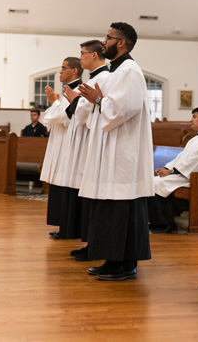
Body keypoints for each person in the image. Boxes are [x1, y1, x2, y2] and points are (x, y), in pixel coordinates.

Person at [77, 22, 153, 281]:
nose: (103, 42)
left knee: (122, 208)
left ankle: (125, 264)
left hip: (123, 150)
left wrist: (98, 100)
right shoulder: (115, 72)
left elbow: (124, 108)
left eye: (108, 37)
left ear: (121, 42)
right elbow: (108, 107)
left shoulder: (130, 71)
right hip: (112, 147)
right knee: (110, 208)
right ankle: (112, 260)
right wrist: (97, 101)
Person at [58, 41, 108, 259]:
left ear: (94, 55)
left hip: (93, 142)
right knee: (89, 197)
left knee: (94, 198)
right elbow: (83, 110)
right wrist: (75, 103)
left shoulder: (103, 78)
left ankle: (94, 245)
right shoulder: (95, 78)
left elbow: (88, 112)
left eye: (83, 53)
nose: (80, 58)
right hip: (89, 139)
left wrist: (76, 102)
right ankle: (90, 243)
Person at [148, 107, 198, 234]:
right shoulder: (195, 138)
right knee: (154, 181)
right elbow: (180, 158)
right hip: (183, 174)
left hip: (196, 178)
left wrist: (171, 172)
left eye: (194, 117)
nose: (191, 120)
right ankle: (156, 222)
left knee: (157, 184)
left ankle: (166, 224)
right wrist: (166, 168)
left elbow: (195, 162)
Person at [41, 56, 83, 240]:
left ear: (74, 70)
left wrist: (53, 102)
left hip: (71, 146)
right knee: (59, 185)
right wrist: (56, 103)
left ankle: (70, 228)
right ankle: (64, 226)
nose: (60, 71)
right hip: (61, 143)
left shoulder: (79, 91)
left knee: (68, 186)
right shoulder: (68, 91)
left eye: (64, 68)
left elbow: (64, 117)